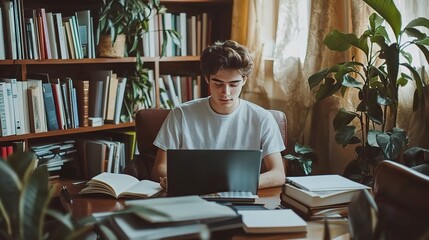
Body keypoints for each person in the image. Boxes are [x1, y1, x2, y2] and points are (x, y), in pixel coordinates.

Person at [151, 40, 286, 189]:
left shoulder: (262, 119)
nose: (226, 93)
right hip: (192, 194)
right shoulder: (181, 114)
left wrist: (230, 184)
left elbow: (278, 174)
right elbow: (159, 168)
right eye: (218, 83)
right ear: (207, 79)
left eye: (234, 84)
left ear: (244, 80)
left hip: (240, 192)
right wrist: (176, 180)